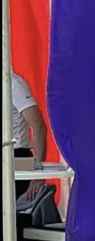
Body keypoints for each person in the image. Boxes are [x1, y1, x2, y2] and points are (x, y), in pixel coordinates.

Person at [12, 71, 48, 203]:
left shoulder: (14, 84)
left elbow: (39, 127)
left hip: (16, 157)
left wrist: (37, 175)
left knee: (14, 217)